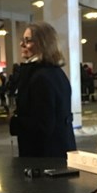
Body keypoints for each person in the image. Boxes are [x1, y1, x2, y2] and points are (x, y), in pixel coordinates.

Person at [9, 21, 76, 158]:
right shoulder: (55, 72)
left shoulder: (40, 77)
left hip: (44, 155)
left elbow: (42, 124)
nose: (22, 44)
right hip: (59, 149)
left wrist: (15, 122)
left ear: (42, 44)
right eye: (22, 40)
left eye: (27, 41)